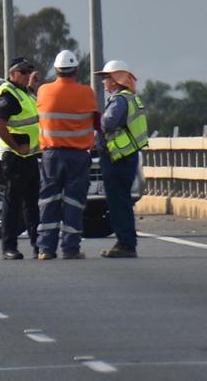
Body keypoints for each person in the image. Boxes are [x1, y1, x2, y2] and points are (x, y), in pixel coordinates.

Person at [35, 50, 99, 260]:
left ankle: (46, 249)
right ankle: (70, 248)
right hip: (78, 156)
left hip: (51, 156)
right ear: (76, 71)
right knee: (74, 202)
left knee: (48, 200)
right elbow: (97, 122)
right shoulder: (87, 93)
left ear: (56, 70)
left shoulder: (43, 91)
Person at [95, 60, 149, 258]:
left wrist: (96, 120)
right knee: (123, 201)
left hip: (117, 157)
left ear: (117, 80)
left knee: (118, 202)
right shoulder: (131, 98)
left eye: (106, 78)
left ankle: (124, 243)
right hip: (127, 156)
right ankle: (127, 241)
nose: (103, 82)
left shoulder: (119, 101)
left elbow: (108, 123)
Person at [0, 57, 42, 260]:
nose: (26, 75)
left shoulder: (24, 93)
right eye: (23, 72)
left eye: (29, 71)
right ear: (12, 74)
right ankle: (8, 247)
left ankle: (38, 244)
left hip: (29, 156)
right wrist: (16, 147)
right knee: (13, 204)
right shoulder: (8, 94)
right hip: (15, 157)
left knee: (32, 202)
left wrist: (31, 86)